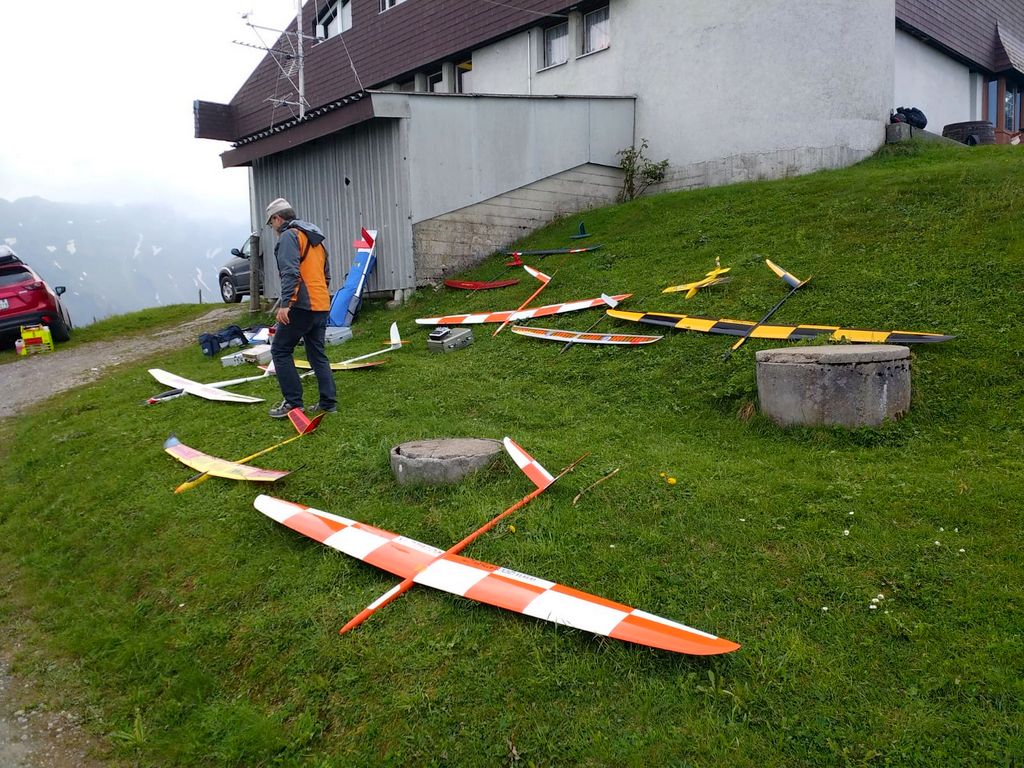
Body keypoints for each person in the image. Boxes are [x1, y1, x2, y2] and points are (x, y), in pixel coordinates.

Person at [264, 197, 337, 418]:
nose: (272, 228)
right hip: (321, 303)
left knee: (280, 349)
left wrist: (286, 304)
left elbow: (290, 272)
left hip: (301, 305)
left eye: (271, 222)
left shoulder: (289, 236)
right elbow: (326, 275)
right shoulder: (315, 238)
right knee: (317, 354)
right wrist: (318, 297)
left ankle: (293, 403)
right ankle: (328, 403)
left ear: (278, 218)